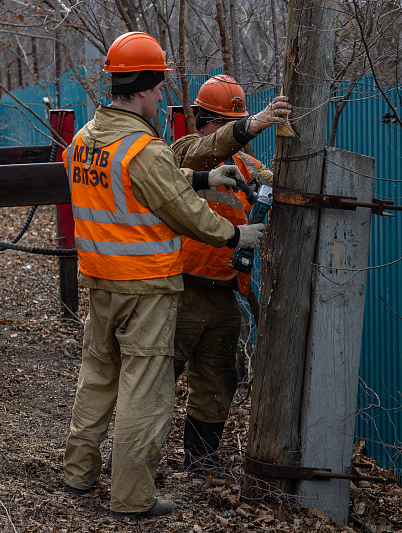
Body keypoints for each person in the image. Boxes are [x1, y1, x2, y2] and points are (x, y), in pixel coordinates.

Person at [61, 33, 265, 519]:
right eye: (156, 89)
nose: (159, 98)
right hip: (146, 287)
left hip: (100, 283)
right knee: (145, 392)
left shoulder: (83, 141)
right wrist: (235, 236)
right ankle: (132, 497)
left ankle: (78, 473)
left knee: (97, 378)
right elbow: (184, 213)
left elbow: (137, 185)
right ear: (142, 87)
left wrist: (204, 177)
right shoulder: (143, 148)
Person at [169, 75, 291, 471]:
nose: (229, 135)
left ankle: (201, 461)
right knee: (158, 376)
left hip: (224, 291)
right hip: (180, 287)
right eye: (225, 124)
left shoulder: (248, 167)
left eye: (233, 125)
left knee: (217, 380)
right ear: (205, 120)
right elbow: (206, 150)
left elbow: (284, 187)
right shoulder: (183, 153)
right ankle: (135, 462)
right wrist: (252, 124)